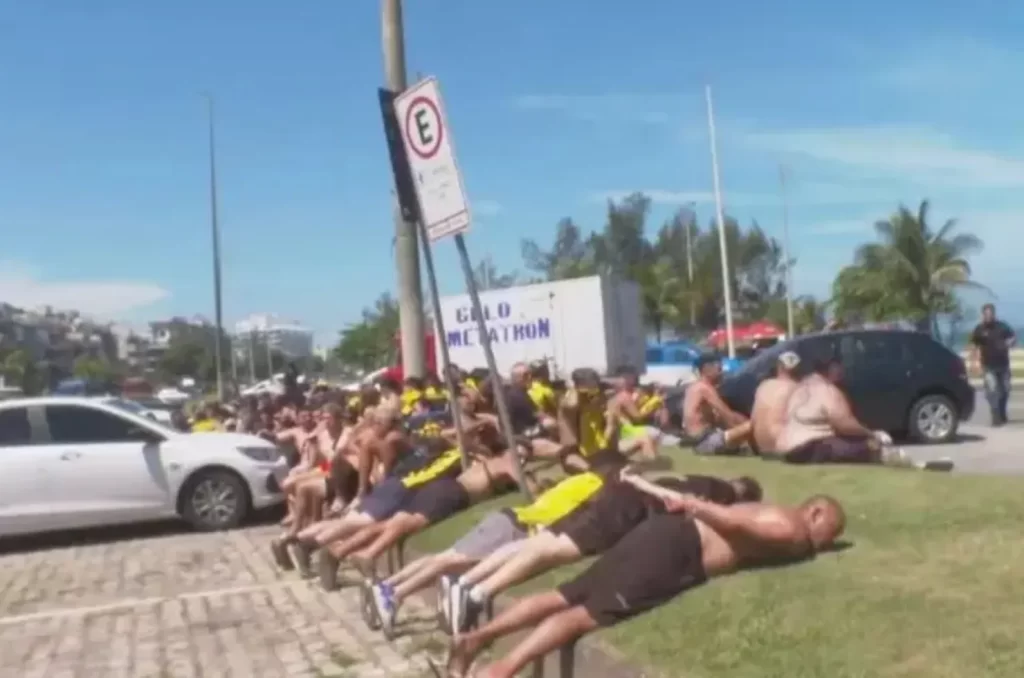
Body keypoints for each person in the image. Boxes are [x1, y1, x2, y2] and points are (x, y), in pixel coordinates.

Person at [446, 494, 846, 678]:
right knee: (584, 616)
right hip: (676, 551)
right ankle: (502, 670)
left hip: (662, 533)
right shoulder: (792, 528)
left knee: (566, 594)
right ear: (815, 511)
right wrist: (698, 506)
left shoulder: (772, 507)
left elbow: (742, 523)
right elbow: (737, 525)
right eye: (829, 531)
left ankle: (477, 638)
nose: (823, 542)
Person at [445, 467, 762, 636]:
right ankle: (479, 593)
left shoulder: (702, 477)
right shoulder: (718, 493)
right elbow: (675, 501)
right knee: (551, 551)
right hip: (625, 510)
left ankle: (468, 583)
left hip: (614, 496)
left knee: (539, 544)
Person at [365, 462, 618, 633]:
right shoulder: (595, 488)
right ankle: (393, 594)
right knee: (448, 560)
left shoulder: (580, 479)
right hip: (517, 525)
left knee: (444, 558)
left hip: (511, 519)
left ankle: (388, 587)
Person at [775, 357, 952, 470]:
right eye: (839, 367)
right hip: (808, 447)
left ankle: (905, 460)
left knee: (849, 443)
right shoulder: (827, 390)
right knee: (870, 445)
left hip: (785, 450)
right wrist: (872, 434)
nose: (842, 372)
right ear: (830, 369)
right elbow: (845, 424)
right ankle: (913, 465)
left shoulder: (800, 387)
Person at [682, 354, 751, 455]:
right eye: (719, 368)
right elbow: (727, 415)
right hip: (706, 441)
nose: (722, 373)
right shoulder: (705, 389)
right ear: (707, 369)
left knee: (740, 421)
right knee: (753, 425)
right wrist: (743, 430)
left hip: (698, 440)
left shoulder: (693, 387)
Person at [969, 303, 1016, 426]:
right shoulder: (979, 329)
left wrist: (1010, 342)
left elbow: (1013, 336)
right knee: (992, 389)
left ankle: (1001, 411)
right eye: (986, 314)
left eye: (991, 314)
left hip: (1003, 364)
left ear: (994, 314)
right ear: (983, 315)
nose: (988, 316)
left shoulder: (1002, 326)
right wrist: (973, 362)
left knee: (1005, 390)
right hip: (988, 365)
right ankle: (995, 415)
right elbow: (974, 345)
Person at [750, 351, 802, 454]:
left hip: (762, 448)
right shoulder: (796, 388)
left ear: (779, 367)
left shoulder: (763, 386)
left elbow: (753, 421)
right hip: (783, 446)